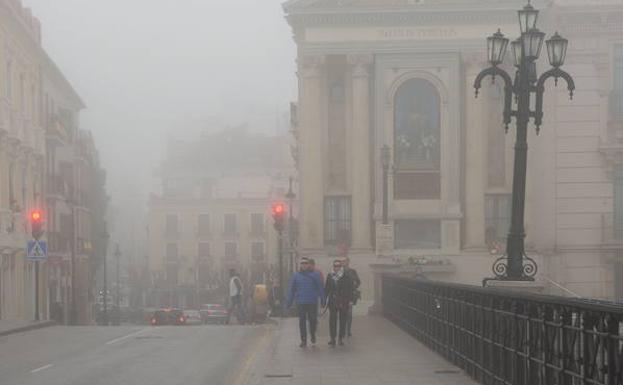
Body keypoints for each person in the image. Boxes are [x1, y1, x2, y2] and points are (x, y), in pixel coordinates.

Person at [286, 257, 325, 347]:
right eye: (302, 263)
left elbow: (320, 287)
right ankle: (303, 340)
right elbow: (292, 290)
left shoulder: (315, 275)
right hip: (301, 302)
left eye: (305, 263)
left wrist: (323, 299)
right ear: (300, 265)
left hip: (312, 301)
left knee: (313, 319)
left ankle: (313, 334)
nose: (304, 265)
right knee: (302, 321)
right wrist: (289, 302)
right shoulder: (296, 276)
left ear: (308, 265)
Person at [325, 259, 353, 347]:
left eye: (338, 266)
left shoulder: (346, 276)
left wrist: (350, 301)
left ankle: (340, 338)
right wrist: (324, 301)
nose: (336, 268)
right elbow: (326, 289)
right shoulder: (330, 276)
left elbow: (350, 289)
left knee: (342, 320)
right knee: (332, 320)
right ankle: (332, 338)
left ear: (341, 267)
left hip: (343, 301)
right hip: (333, 301)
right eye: (335, 266)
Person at [342, 257, 360, 337]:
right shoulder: (339, 272)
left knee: (349, 314)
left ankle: (348, 330)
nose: (343, 262)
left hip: (350, 296)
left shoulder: (353, 271)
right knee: (342, 314)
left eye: (345, 261)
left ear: (348, 262)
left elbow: (358, 281)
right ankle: (343, 329)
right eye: (342, 261)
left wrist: (355, 286)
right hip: (341, 296)